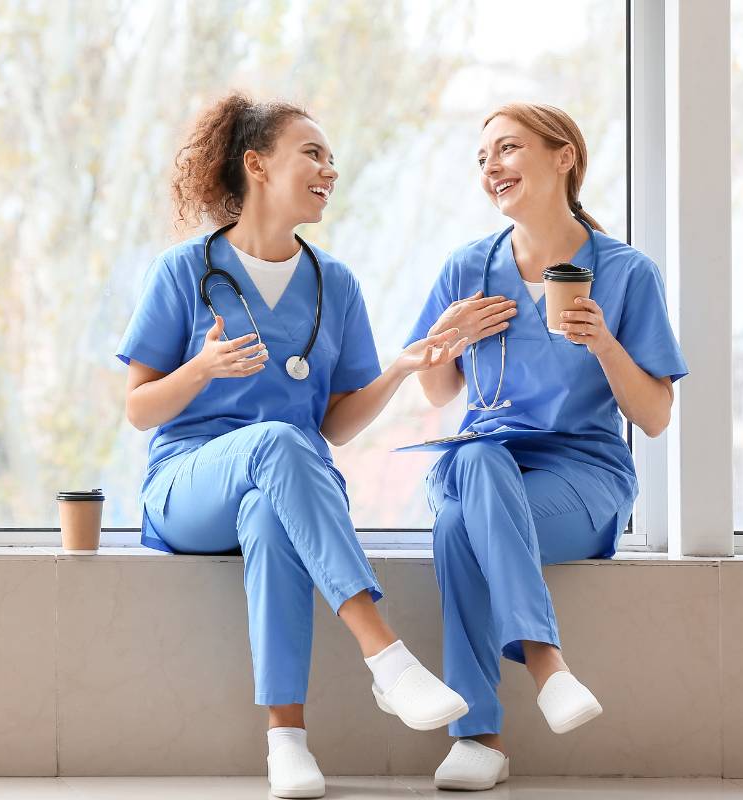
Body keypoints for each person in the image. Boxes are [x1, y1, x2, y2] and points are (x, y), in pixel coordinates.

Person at [117, 93, 470, 799]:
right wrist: (202, 369)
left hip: (283, 486)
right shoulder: (184, 272)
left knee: (274, 514)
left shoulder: (334, 285)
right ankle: (385, 654)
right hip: (188, 485)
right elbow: (137, 409)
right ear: (256, 165)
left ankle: (287, 743)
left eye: (332, 159)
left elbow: (334, 426)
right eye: (312, 153)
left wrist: (401, 369)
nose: (329, 170)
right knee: (277, 440)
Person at [405, 102, 689, 791]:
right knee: (473, 458)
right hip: (480, 465)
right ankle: (547, 665)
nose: (491, 168)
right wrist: (451, 337)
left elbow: (654, 416)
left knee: (455, 529)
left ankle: (478, 737)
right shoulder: (467, 268)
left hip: (581, 479)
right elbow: (437, 393)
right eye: (481, 159)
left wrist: (605, 344)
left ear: (564, 156)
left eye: (506, 149)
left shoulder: (626, 274)